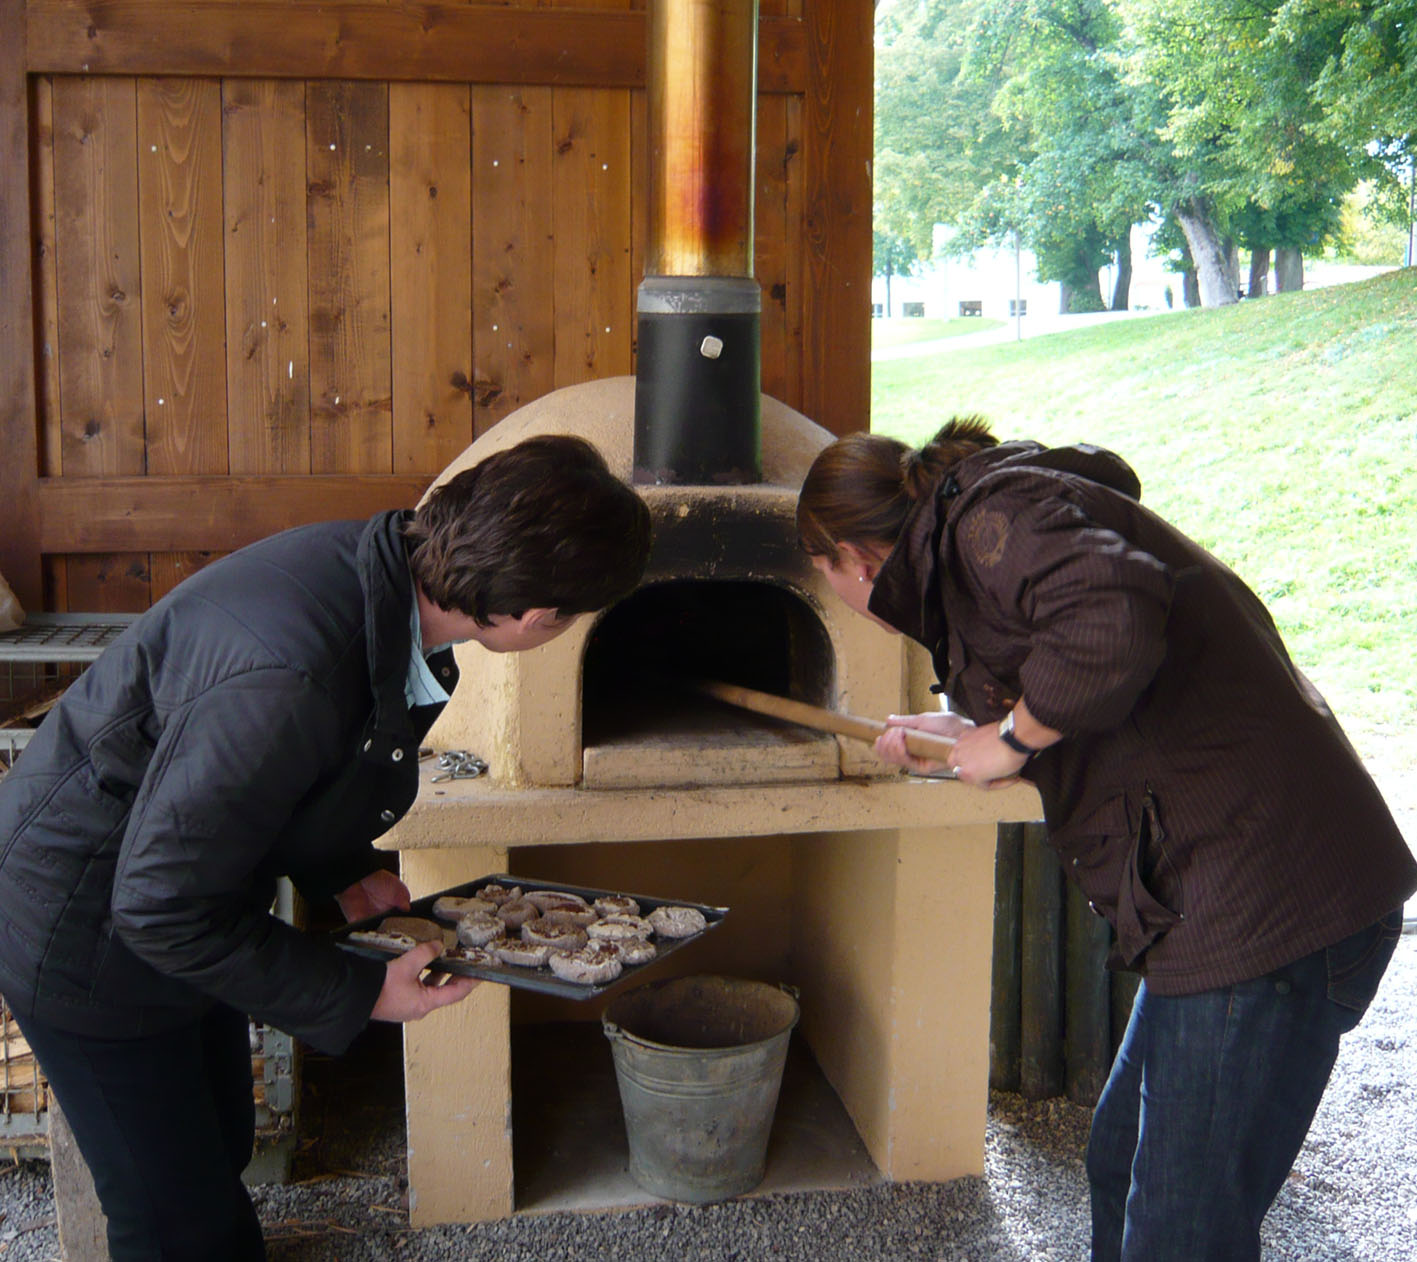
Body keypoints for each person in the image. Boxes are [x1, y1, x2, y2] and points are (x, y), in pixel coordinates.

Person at [0, 434, 652, 1260]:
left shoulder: (386, 579)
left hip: (180, 906)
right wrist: (358, 992)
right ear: (533, 615)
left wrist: (341, 873)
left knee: (220, 1143)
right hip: (83, 930)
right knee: (175, 1218)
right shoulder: (291, 673)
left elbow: (278, 780)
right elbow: (158, 904)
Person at [796, 417, 1415, 1262]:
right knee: (1120, 1164)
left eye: (818, 570)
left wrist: (1011, 737)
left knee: (1179, 1231)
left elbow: (1113, 617)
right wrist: (958, 728)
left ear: (850, 558)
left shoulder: (990, 517)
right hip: (1212, 898)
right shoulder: (986, 541)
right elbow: (1093, 685)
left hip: (1265, 903)